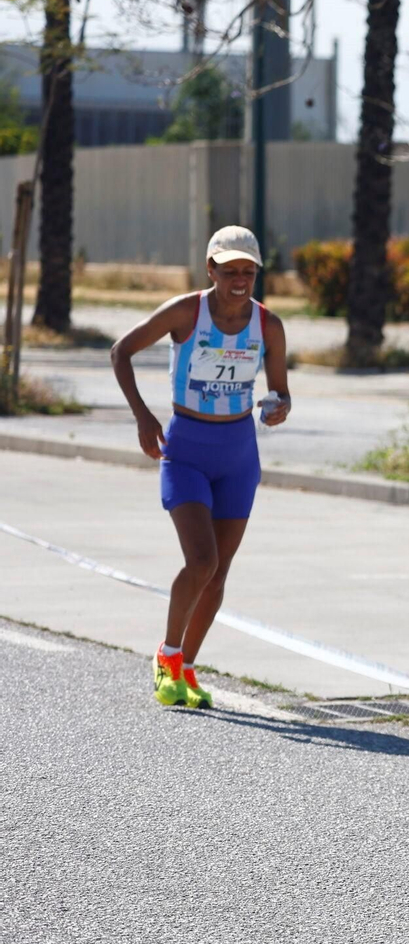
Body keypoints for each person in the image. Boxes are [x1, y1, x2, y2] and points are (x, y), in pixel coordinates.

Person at [108, 225, 290, 709]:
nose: (239, 280)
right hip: (187, 447)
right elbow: (121, 350)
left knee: (219, 573)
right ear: (210, 269)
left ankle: (187, 667)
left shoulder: (267, 325)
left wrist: (279, 406)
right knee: (201, 561)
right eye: (230, 271)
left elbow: (280, 391)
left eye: (248, 272)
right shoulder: (187, 312)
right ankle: (166, 656)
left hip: (238, 454)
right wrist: (143, 416)